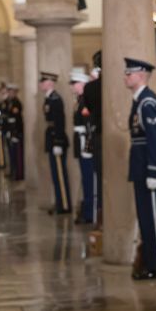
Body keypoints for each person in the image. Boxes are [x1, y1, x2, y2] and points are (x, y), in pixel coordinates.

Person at [124, 57, 156, 280]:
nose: (126, 77)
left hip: (148, 169)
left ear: (141, 75)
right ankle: (151, 262)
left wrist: (154, 171)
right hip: (140, 168)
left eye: (129, 73)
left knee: (152, 218)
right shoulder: (139, 101)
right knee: (145, 218)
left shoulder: (148, 103)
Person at [40, 71, 72, 215]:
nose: (41, 84)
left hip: (56, 139)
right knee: (55, 173)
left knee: (59, 173)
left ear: (50, 83)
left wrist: (58, 142)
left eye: (43, 81)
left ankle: (64, 205)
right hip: (51, 138)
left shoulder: (55, 99)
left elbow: (60, 121)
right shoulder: (48, 98)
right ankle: (60, 202)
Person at [69, 68, 96, 224]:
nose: (72, 86)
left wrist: (88, 146)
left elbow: (89, 124)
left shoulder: (86, 100)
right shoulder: (79, 100)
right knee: (85, 178)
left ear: (82, 84)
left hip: (85, 142)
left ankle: (91, 213)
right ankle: (87, 211)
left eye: (75, 83)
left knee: (89, 178)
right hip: (80, 141)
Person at [82, 51, 103, 226]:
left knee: (101, 180)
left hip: (99, 136)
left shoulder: (90, 88)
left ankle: (101, 219)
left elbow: (88, 107)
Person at [6, 84, 24, 181]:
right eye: (9, 91)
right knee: (12, 153)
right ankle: (13, 171)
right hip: (11, 130)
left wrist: (15, 133)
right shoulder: (10, 102)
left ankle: (18, 173)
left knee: (17, 154)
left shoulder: (17, 103)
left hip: (16, 131)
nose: (10, 93)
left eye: (12, 91)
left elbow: (17, 120)